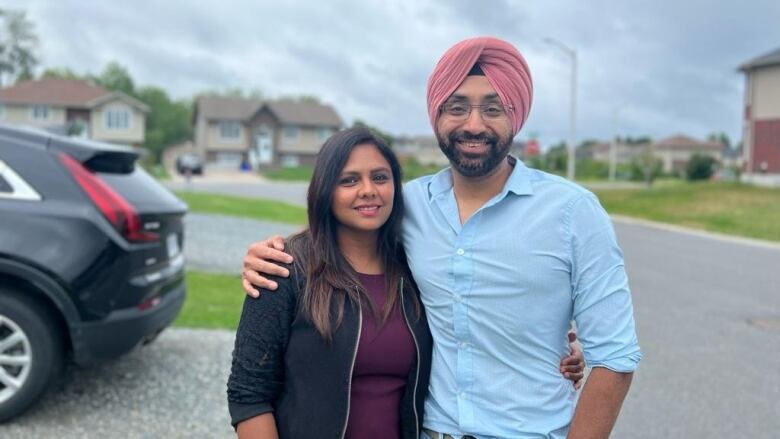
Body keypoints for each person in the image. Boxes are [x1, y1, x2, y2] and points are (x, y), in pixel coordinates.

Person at [241, 36, 638, 439]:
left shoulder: (573, 212)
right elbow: (337, 227)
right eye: (458, 107)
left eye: (493, 108)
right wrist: (271, 254)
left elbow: (616, 356)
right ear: (436, 116)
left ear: (515, 117)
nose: (474, 124)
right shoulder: (408, 205)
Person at [227, 127, 433, 438]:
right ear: (325, 189)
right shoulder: (284, 269)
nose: (368, 190)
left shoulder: (416, 269)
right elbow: (249, 395)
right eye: (349, 180)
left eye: (380, 177)